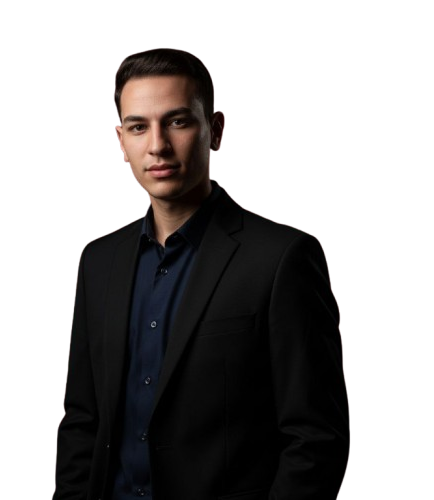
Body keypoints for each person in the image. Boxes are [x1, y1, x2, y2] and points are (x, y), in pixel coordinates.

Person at [53, 47, 349, 500]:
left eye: (177, 121)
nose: (157, 145)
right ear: (121, 142)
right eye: (138, 127)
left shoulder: (282, 258)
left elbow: (315, 438)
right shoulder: (97, 261)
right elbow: (82, 420)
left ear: (216, 130)